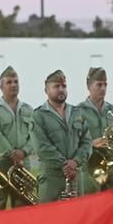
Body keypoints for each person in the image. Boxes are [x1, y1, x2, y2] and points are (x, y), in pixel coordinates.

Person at [32, 70, 89, 201]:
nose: (61, 89)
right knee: (50, 214)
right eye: (56, 86)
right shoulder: (39, 116)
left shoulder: (77, 113)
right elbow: (42, 147)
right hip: (52, 181)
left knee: (78, 214)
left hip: (75, 179)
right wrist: (65, 166)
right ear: (46, 90)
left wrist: (75, 162)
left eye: (64, 86)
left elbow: (87, 142)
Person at [73, 67, 113, 194]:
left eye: (105, 85)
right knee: (92, 204)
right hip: (90, 171)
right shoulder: (77, 112)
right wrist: (91, 144)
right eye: (99, 85)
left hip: (112, 170)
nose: (103, 88)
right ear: (89, 86)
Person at [0, 66, 35, 210]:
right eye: (9, 82)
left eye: (16, 82)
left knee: (23, 204)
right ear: (1, 87)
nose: (13, 85)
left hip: (23, 163)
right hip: (1, 163)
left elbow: (34, 134)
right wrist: (12, 153)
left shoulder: (28, 109)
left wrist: (24, 152)